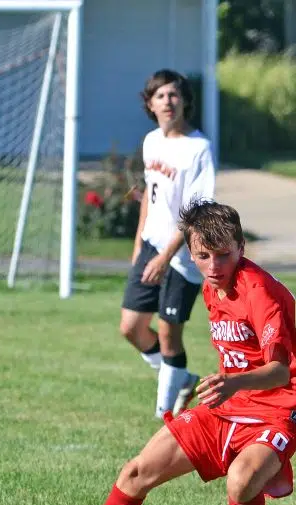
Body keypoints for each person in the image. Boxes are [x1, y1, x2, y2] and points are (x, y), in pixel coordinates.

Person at [72, 198, 296, 505]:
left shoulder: (260, 292)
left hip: (279, 408)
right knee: (135, 473)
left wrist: (232, 382)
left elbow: (280, 370)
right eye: (203, 256)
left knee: (240, 480)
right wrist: (227, 389)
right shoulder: (210, 285)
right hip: (228, 404)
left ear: (241, 248)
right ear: (190, 253)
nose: (215, 266)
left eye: (224, 255)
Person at [120, 69, 216, 418]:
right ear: (150, 104)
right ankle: (181, 379)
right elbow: (149, 195)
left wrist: (165, 257)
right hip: (151, 247)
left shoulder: (199, 149)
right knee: (131, 327)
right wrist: (139, 244)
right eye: (160, 96)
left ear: (185, 101)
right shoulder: (151, 142)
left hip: (181, 257)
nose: (168, 101)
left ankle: (165, 414)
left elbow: (196, 212)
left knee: (168, 335)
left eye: (174, 95)